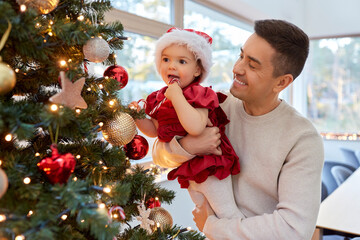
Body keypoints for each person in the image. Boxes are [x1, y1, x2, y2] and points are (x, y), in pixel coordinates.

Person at [152, 19, 325, 240]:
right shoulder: (217, 103)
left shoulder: (303, 139)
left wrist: (212, 226)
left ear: (281, 83)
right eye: (240, 55)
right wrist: (188, 146)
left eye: (252, 65)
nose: (237, 69)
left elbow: (293, 229)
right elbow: (159, 154)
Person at [130, 27, 242, 220]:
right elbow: (156, 131)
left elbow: (196, 127)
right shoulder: (158, 98)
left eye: (182, 61)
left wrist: (177, 97)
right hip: (189, 171)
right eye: (166, 59)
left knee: (227, 214)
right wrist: (138, 117)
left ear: (197, 70)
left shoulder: (198, 94)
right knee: (204, 214)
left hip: (210, 167)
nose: (171, 66)